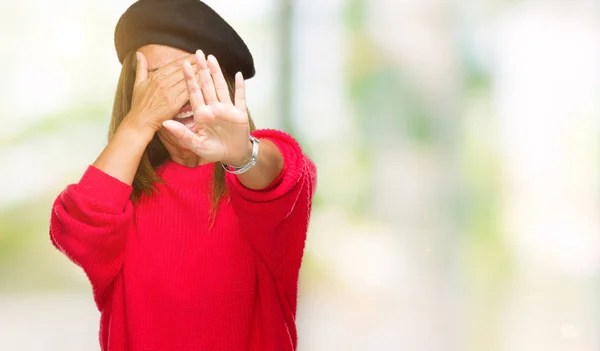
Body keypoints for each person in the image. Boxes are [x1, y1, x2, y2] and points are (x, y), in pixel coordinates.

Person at [49, 0, 316, 350]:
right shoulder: (121, 200)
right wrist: (139, 123)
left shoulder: (255, 178)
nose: (178, 92)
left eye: (193, 73)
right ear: (135, 94)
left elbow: (282, 174)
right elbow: (78, 230)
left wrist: (241, 153)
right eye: (160, 80)